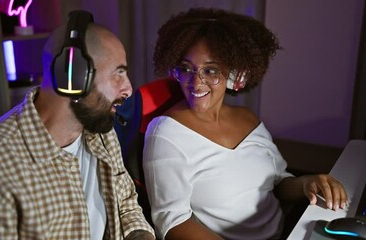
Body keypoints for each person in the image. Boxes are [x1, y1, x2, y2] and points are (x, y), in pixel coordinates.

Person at [0, 10, 155, 240]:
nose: (128, 89)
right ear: (72, 77)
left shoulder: (100, 130)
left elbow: (124, 201)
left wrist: (139, 234)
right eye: (118, 74)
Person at [142, 8, 348, 240]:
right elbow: (172, 222)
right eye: (186, 69)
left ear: (234, 75)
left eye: (210, 70)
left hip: (291, 231)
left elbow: (278, 181)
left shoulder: (248, 118)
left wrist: (306, 184)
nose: (196, 84)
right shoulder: (166, 133)